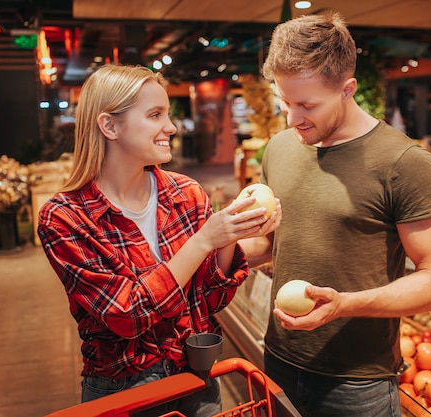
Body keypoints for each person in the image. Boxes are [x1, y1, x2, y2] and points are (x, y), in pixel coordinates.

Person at [239, 12, 431, 417]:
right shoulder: (281, 148)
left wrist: (344, 304)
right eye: (284, 102)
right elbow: (269, 243)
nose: (292, 118)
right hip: (277, 360)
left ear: (347, 89)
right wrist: (213, 244)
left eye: (307, 104)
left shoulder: (404, 162)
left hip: (357, 382)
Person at [37, 64, 280, 416]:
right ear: (109, 126)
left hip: (199, 378)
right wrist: (202, 241)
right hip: (125, 391)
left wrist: (227, 237)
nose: (171, 126)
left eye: (168, 114)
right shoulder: (66, 217)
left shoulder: (187, 193)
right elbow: (128, 315)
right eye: (155, 115)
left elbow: (210, 301)